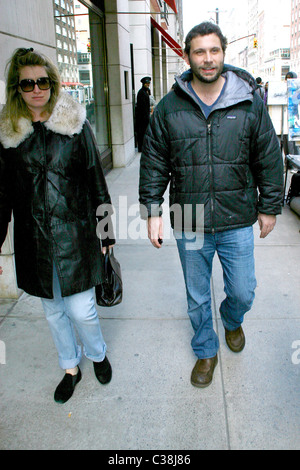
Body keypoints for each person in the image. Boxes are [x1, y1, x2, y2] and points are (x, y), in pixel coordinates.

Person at [139, 22, 283, 388]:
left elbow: (268, 157)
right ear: (187, 56)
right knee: (197, 295)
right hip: (189, 219)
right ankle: (206, 350)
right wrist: (152, 211)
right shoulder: (170, 107)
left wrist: (269, 206)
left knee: (242, 291)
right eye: (199, 51)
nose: (207, 58)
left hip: (237, 218)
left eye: (214, 50)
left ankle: (232, 320)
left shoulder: (248, 101)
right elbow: (154, 161)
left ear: (223, 53)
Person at [0, 48, 115, 404]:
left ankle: (97, 354)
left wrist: (106, 230)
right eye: (27, 84)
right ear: (17, 90)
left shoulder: (75, 126)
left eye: (43, 81)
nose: (36, 89)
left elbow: (97, 179)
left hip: (76, 235)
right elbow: (2, 196)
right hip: (34, 239)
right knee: (53, 311)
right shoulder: (9, 137)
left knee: (82, 309)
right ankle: (70, 367)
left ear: (52, 82)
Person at [136, 76, 152, 152]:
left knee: (145, 132)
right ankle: (141, 147)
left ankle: (145, 146)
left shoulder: (147, 91)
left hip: (146, 115)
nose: (148, 84)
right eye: (146, 83)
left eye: (148, 83)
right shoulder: (141, 92)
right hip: (142, 116)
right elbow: (141, 106)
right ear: (143, 83)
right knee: (141, 132)